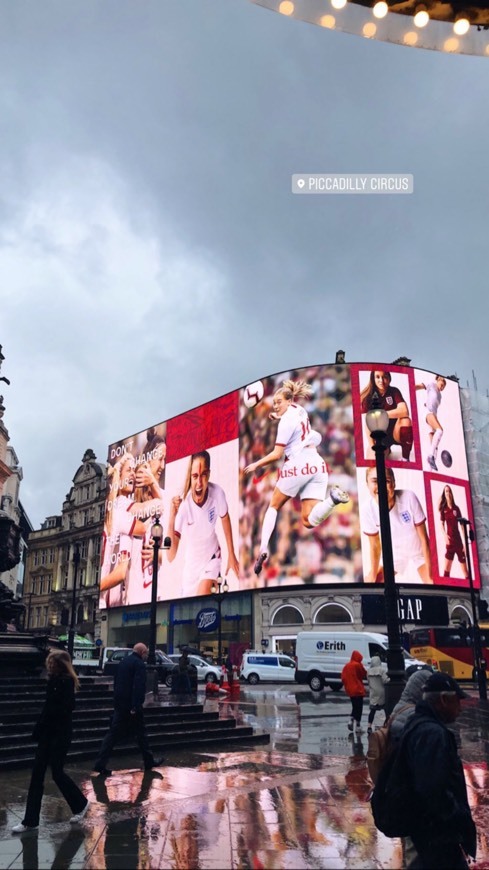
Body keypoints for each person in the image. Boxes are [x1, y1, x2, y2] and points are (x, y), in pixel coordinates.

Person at [243, 379, 349, 576]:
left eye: (278, 402)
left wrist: (256, 464)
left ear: (288, 400)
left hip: (298, 464)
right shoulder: (298, 409)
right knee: (308, 520)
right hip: (317, 464)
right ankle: (333, 500)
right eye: (274, 402)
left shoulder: (286, 421)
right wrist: (276, 415)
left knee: (273, 506)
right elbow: (288, 418)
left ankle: (263, 548)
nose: (276, 405)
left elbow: (276, 454)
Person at [399, 672, 476, 869]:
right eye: (457, 701)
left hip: (429, 834)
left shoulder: (418, 724)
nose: (460, 708)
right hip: (438, 836)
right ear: (443, 700)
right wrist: (456, 818)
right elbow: (432, 789)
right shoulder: (433, 734)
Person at [12, 650, 89, 833]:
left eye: (52, 663)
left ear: (61, 664)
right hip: (48, 733)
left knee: (57, 773)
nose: (49, 666)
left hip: (60, 734)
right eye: (49, 663)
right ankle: (30, 820)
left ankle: (80, 803)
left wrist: (47, 723)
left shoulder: (66, 682)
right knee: (37, 774)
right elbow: (48, 708)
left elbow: (65, 708)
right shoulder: (53, 681)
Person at [167, 450, 239, 596]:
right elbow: (170, 555)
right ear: (190, 477)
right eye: (195, 476)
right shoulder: (184, 506)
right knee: (189, 616)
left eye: (203, 475)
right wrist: (171, 517)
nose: (199, 483)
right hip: (191, 570)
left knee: (202, 601)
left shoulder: (217, 493)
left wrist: (231, 553)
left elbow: (225, 518)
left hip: (212, 559)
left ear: (209, 475)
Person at [100, 454, 164, 607]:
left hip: (114, 600)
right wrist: (153, 483)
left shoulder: (112, 509)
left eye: (134, 471)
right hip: (111, 600)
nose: (133, 475)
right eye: (129, 470)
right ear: (118, 477)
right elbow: (158, 507)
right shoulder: (121, 505)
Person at [93, 643, 163, 775]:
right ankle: (148, 760)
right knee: (139, 733)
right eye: (146, 653)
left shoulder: (123, 662)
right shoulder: (139, 664)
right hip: (131, 706)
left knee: (116, 735)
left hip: (120, 704)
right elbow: (138, 686)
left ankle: (100, 763)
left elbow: (117, 683)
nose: (147, 656)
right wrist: (136, 705)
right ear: (142, 652)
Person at [362, 466, 432, 584]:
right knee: (372, 584)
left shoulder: (408, 497)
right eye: (375, 481)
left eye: (387, 481)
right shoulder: (367, 509)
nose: (381, 486)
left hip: (418, 551)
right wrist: (372, 577)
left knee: (433, 582)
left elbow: (424, 539)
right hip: (395, 555)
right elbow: (375, 546)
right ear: (367, 484)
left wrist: (430, 576)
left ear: (394, 483)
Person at [360, 370, 414, 461]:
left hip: (395, 432)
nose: (381, 380)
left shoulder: (394, 391)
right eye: (377, 377)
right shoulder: (368, 397)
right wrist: (373, 447)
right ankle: (386, 450)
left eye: (384, 377)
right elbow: (367, 423)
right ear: (373, 379)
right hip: (381, 438)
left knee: (406, 420)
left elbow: (404, 411)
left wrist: (381, 415)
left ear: (389, 378)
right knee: (374, 460)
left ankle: (405, 458)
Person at [416, 375, 447, 471]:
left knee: (434, 445)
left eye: (443, 387)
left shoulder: (440, 396)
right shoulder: (431, 384)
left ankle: (429, 469)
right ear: (438, 380)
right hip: (427, 411)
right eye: (441, 385)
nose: (442, 388)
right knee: (440, 430)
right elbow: (417, 386)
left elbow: (435, 406)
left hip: (433, 415)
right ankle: (430, 457)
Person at [438, 485, 468, 578]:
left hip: (459, 543)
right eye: (446, 491)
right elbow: (441, 524)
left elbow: (462, 526)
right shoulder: (444, 509)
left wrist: (465, 543)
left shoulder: (456, 508)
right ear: (444, 494)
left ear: (451, 493)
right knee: (446, 573)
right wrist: (445, 536)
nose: (448, 493)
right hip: (450, 542)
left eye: (449, 491)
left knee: (466, 573)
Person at [341, 650, 367, 736]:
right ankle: (358, 726)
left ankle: (351, 720)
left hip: (350, 690)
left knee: (354, 706)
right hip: (358, 689)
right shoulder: (357, 665)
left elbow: (343, 678)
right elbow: (363, 673)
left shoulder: (346, 666)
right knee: (359, 708)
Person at [366, 655, 389, 733]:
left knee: (372, 711)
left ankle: (369, 726)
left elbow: (368, 681)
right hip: (381, 691)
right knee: (385, 709)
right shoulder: (382, 670)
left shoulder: (368, 671)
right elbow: (385, 680)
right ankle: (386, 723)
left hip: (373, 692)